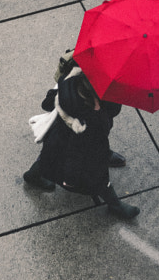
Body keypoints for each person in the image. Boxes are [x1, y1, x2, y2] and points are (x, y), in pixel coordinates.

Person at [23, 64, 139, 219]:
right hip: (81, 149)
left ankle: (32, 175)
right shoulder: (84, 124)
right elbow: (74, 153)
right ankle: (115, 205)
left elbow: (112, 112)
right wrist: (70, 179)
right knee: (99, 178)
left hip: (63, 141)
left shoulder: (74, 83)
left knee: (48, 160)